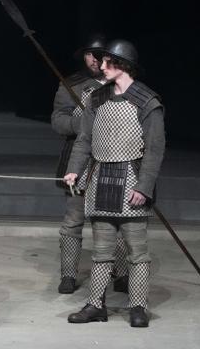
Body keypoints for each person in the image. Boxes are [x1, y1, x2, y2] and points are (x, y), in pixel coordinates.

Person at [64, 39, 164, 328]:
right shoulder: (96, 98)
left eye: (108, 62)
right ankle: (96, 304)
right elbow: (84, 139)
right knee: (101, 252)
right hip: (101, 179)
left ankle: (138, 306)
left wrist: (144, 186)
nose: (101, 66)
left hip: (132, 180)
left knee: (137, 252)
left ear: (124, 66)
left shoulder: (147, 101)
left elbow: (155, 149)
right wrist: (74, 169)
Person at [51, 34, 128, 294]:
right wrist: (83, 121)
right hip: (79, 158)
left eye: (99, 54)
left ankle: (120, 272)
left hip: (112, 157)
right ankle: (69, 275)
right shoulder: (71, 84)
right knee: (74, 218)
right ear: (83, 56)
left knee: (114, 217)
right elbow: (58, 121)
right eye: (89, 54)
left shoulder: (119, 83)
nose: (94, 60)